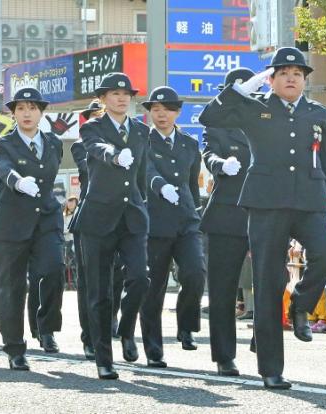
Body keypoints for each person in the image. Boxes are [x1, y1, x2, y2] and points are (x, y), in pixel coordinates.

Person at [199, 47, 326, 389]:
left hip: (308, 201)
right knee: (267, 281)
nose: (291, 78)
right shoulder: (255, 109)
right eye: (284, 73)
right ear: (271, 80)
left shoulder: (317, 112)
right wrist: (239, 91)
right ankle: (271, 369)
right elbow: (209, 119)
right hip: (266, 203)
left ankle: (301, 305)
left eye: (298, 73)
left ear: (305, 80)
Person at [74, 72, 150, 380]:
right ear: (103, 99)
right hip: (98, 219)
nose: (121, 98)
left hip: (131, 215)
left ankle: (127, 329)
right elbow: (95, 148)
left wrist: (143, 203)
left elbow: (142, 175)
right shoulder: (93, 127)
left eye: (126, 94)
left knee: (140, 278)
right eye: (114, 93)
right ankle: (103, 359)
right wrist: (116, 155)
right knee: (100, 293)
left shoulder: (141, 132)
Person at [0, 87, 64, 370]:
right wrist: (18, 182)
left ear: (41, 112)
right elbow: (2, 169)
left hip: (46, 219)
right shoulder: (1, 144)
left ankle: (46, 326)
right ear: (14, 113)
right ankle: (15, 349)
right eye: (21, 108)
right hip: (10, 224)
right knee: (12, 287)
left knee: (54, 269)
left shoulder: (54, 143)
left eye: (32, 108)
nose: (27, 113)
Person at [139, 86, 205, 369]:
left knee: (195, 272)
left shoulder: (190, 144)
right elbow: (145, 173)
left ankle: (186, 325)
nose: (161, 114)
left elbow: (192, 183)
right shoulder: (142, 141)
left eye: (166, 109)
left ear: (177, 113)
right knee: (153, 287)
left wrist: (194, 210)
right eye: (155, 109)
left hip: (186, 219)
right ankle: (154, 348)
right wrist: (160, 187)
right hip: (154, 222)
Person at [200, 68, 256, 376]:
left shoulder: (265, 118)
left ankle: (264, 337)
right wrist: (221, 164)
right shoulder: (219, 123)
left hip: (264, 210)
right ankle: (224, 355)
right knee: (222, 289)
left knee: (272, 279)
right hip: (226, 213)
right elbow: (208, 152)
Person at [69, 98, 103, 360]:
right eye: (92, 115)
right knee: (89, 280)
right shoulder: (81, 146)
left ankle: (110, 325)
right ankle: (90, 335)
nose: (96, 118)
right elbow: (88, 169)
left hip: (123, 215)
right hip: (91, 214)